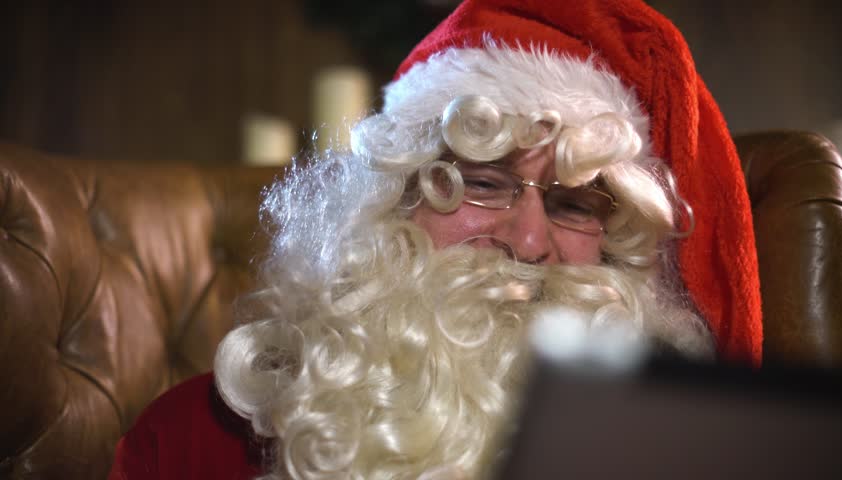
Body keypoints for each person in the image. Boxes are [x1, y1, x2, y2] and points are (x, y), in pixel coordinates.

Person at [109, 0, 762, 478]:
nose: (530, 243)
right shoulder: (189, 445)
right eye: (481, 184)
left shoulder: (678, 454)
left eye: (571, 205)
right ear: (389, 208)